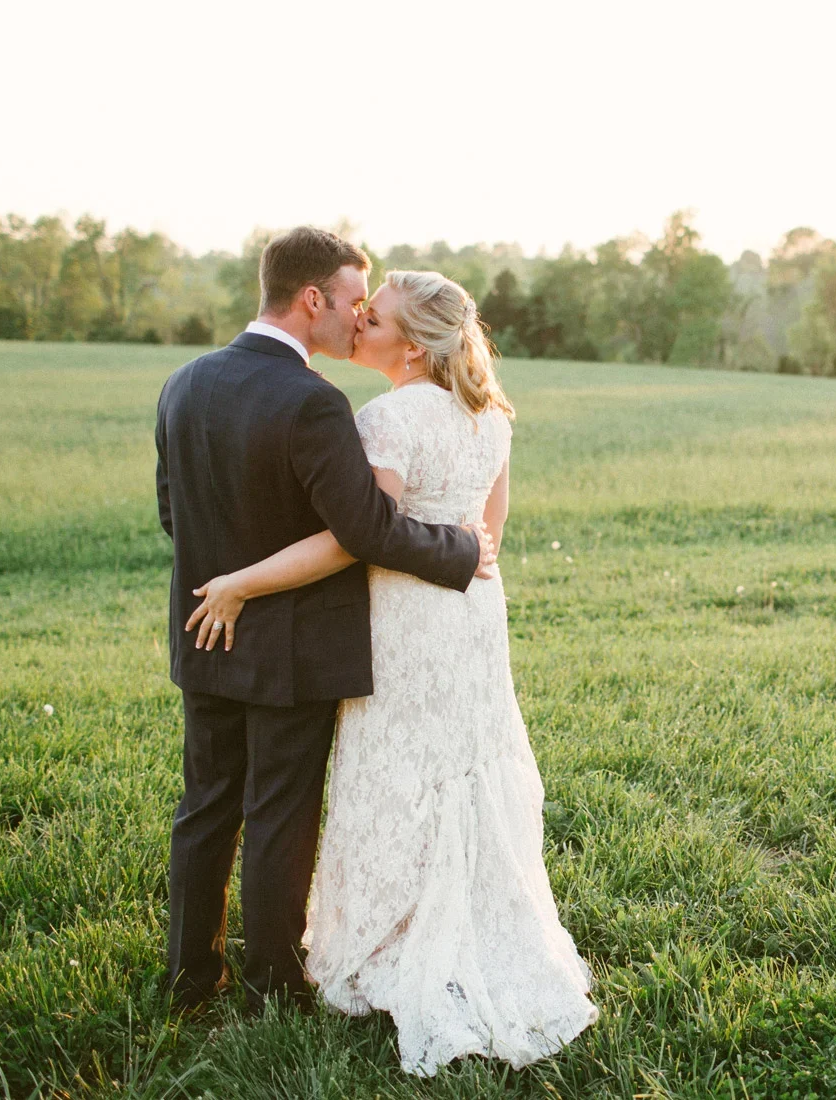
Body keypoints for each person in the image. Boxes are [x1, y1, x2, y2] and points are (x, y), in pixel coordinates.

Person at [186, 270, 597, 1075]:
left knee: (400, 773)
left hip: (408, 626)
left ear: (409, 346)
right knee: (465, 770)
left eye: (373, 318)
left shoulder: (387, 418)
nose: (358, 324)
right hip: (474, 618)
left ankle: (398, 942)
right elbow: (489, 535)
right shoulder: (490, 418)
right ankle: (474, 931)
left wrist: (242, 580)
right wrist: (461, 561)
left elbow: (354, 537)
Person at [154, 228, 496, 1013]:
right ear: (313, 299)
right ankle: (273, 982)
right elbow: (364, 530)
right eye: (351, 302)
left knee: (205, 804)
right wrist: (457, 547)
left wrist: (226, 588)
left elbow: (175, 515)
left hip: (205, 630)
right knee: (279, 812)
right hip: (292, 650)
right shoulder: (313, 400)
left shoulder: (183, 382)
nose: (356, 318)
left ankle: (189, 977)